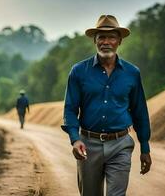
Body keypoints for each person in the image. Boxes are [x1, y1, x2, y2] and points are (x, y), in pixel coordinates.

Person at [61, 15, 152, 196]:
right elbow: (70, 109)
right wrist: (75, 139)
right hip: (88, 145)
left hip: (120, 145)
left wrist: (145, 147)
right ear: (95, 40)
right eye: (101, 37)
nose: (106, 42)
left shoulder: (132, 73)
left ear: (119, 41)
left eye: (111, 37)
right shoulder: (79, 71)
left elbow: (139, 111)